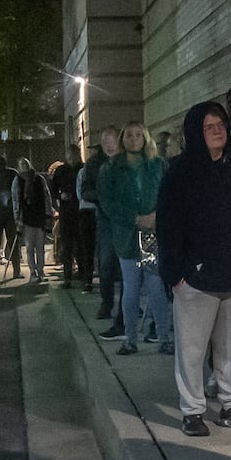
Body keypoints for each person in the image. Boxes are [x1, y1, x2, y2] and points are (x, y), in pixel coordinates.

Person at [157, 102, 231, 437]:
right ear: (194, 133)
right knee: (192, 349)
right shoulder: (180, 173)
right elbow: (168, 227)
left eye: (220, 123)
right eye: (208, 126)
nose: (217, 130)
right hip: (196, 279)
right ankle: (192, 411)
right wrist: (175, 275)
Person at [98, 122, 168, 355]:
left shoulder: (158, 166)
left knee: (156, 286)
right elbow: (108, 203)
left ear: (146, 138)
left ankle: (163, 337)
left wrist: (156, 216)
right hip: (127, 236)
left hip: (152, 235)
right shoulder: (110, 169)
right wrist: (135, 218)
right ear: (122, 138)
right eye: (129, 135)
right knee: (131, 287)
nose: (134, 139)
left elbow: (169, 193)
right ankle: (130, 339)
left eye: (139, 135)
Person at [83, 128, 123, 332]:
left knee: (127, 267)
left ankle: (126, 307)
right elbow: (85, 191)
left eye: (113, 140)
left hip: (126, 221)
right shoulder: (94, 164)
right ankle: (107, 303)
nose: (109, 144)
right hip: (105, 219)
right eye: (105, 140)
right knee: (106, 263)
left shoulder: (127, 161)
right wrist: (102, 194)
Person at [12, 158, 53, 284]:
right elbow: (15, 200)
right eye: (21, 164)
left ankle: (40, 271)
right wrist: (17, 217)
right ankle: (32, 272)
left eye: (25, 163)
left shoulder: (39, 179)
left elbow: (46, 196)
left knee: (40, 246)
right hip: (27, 217)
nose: (24, 166)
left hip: (39, 216)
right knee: (29, 247)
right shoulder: (18, 181)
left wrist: (48, 213)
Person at [51, 148, 83, 287]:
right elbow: (53, 190)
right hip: (66, 211)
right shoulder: (61, 171)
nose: (72, 158)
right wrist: (59, 197)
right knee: (67, 246)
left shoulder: (82, 169)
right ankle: (67, 276)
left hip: (81, 211)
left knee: (81, 245)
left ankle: (82, 275)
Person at [74, 145, 99, 294]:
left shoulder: (100, 170)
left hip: (92, 211)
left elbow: (80, 192)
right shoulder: (84, 172)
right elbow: (80, 192)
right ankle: (88, 278)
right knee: (88, 247)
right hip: (87, 211)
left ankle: (90, 278)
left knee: (92, 247)